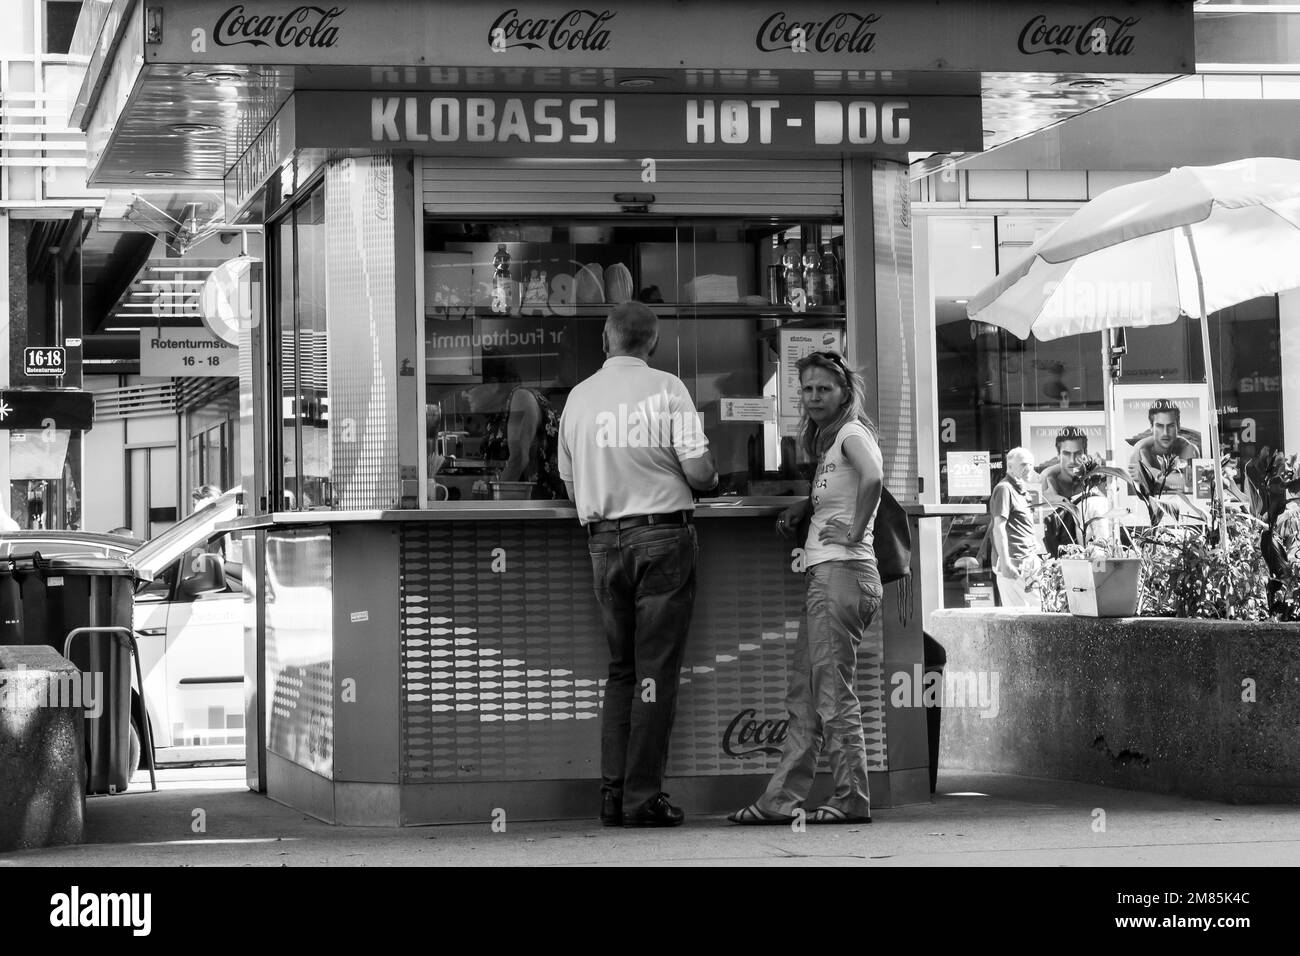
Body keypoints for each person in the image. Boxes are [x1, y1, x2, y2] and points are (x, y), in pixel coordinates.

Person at [558, 302, 718, 828]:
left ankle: (612, 796)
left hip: (603, 543)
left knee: (622, 672)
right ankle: (643, 799)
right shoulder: (668, 389)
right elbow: (700, 474)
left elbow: (570, 486)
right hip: (662, 539)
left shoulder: (578, 398)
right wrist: (706, 473)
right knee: (655, 671)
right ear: (653, 342)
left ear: (606, 339)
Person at [727, 350, 883, 826]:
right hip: (827, 577)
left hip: (843, 573)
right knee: (806, 698)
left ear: (844, 392)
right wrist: (805, 506)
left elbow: (874, 478)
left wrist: (854, 532)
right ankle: (779, 801)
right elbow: (846, 489)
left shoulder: (852, 433)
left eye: (824, 389)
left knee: (833, 697)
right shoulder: (832, 440)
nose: (814, 397)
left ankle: (852, 799)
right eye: (807, 389)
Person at [468, 349, 565, 499]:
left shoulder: (521, 398)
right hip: (519, 504)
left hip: (536, 506)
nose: (464, 394)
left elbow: (518, 459)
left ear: (493, 385)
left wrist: (493, 502)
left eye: (469, 387)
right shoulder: (499, 414)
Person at [990, 447, 1044, 608]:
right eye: (1024, 464)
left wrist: (1033, 543)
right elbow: (998, 527)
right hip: (1014, 563)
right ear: (1010, 466)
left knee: (1035, 609)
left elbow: (1020, 524)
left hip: (1028, 560)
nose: (1029, 468)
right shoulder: (1004, 488)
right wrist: (1005, 563)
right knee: (1026, 611)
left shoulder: (1021, 489)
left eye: (1031, 464)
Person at [1129, 400, 1199, 495]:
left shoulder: (1188, 448)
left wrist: (1151, 472)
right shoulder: (1141, 449)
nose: (1165, 433)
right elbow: (1139, 490)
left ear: (1178, 426)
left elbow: (1191, 483)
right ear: (1151, 427)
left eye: (1170, 426)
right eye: (1159, 426)